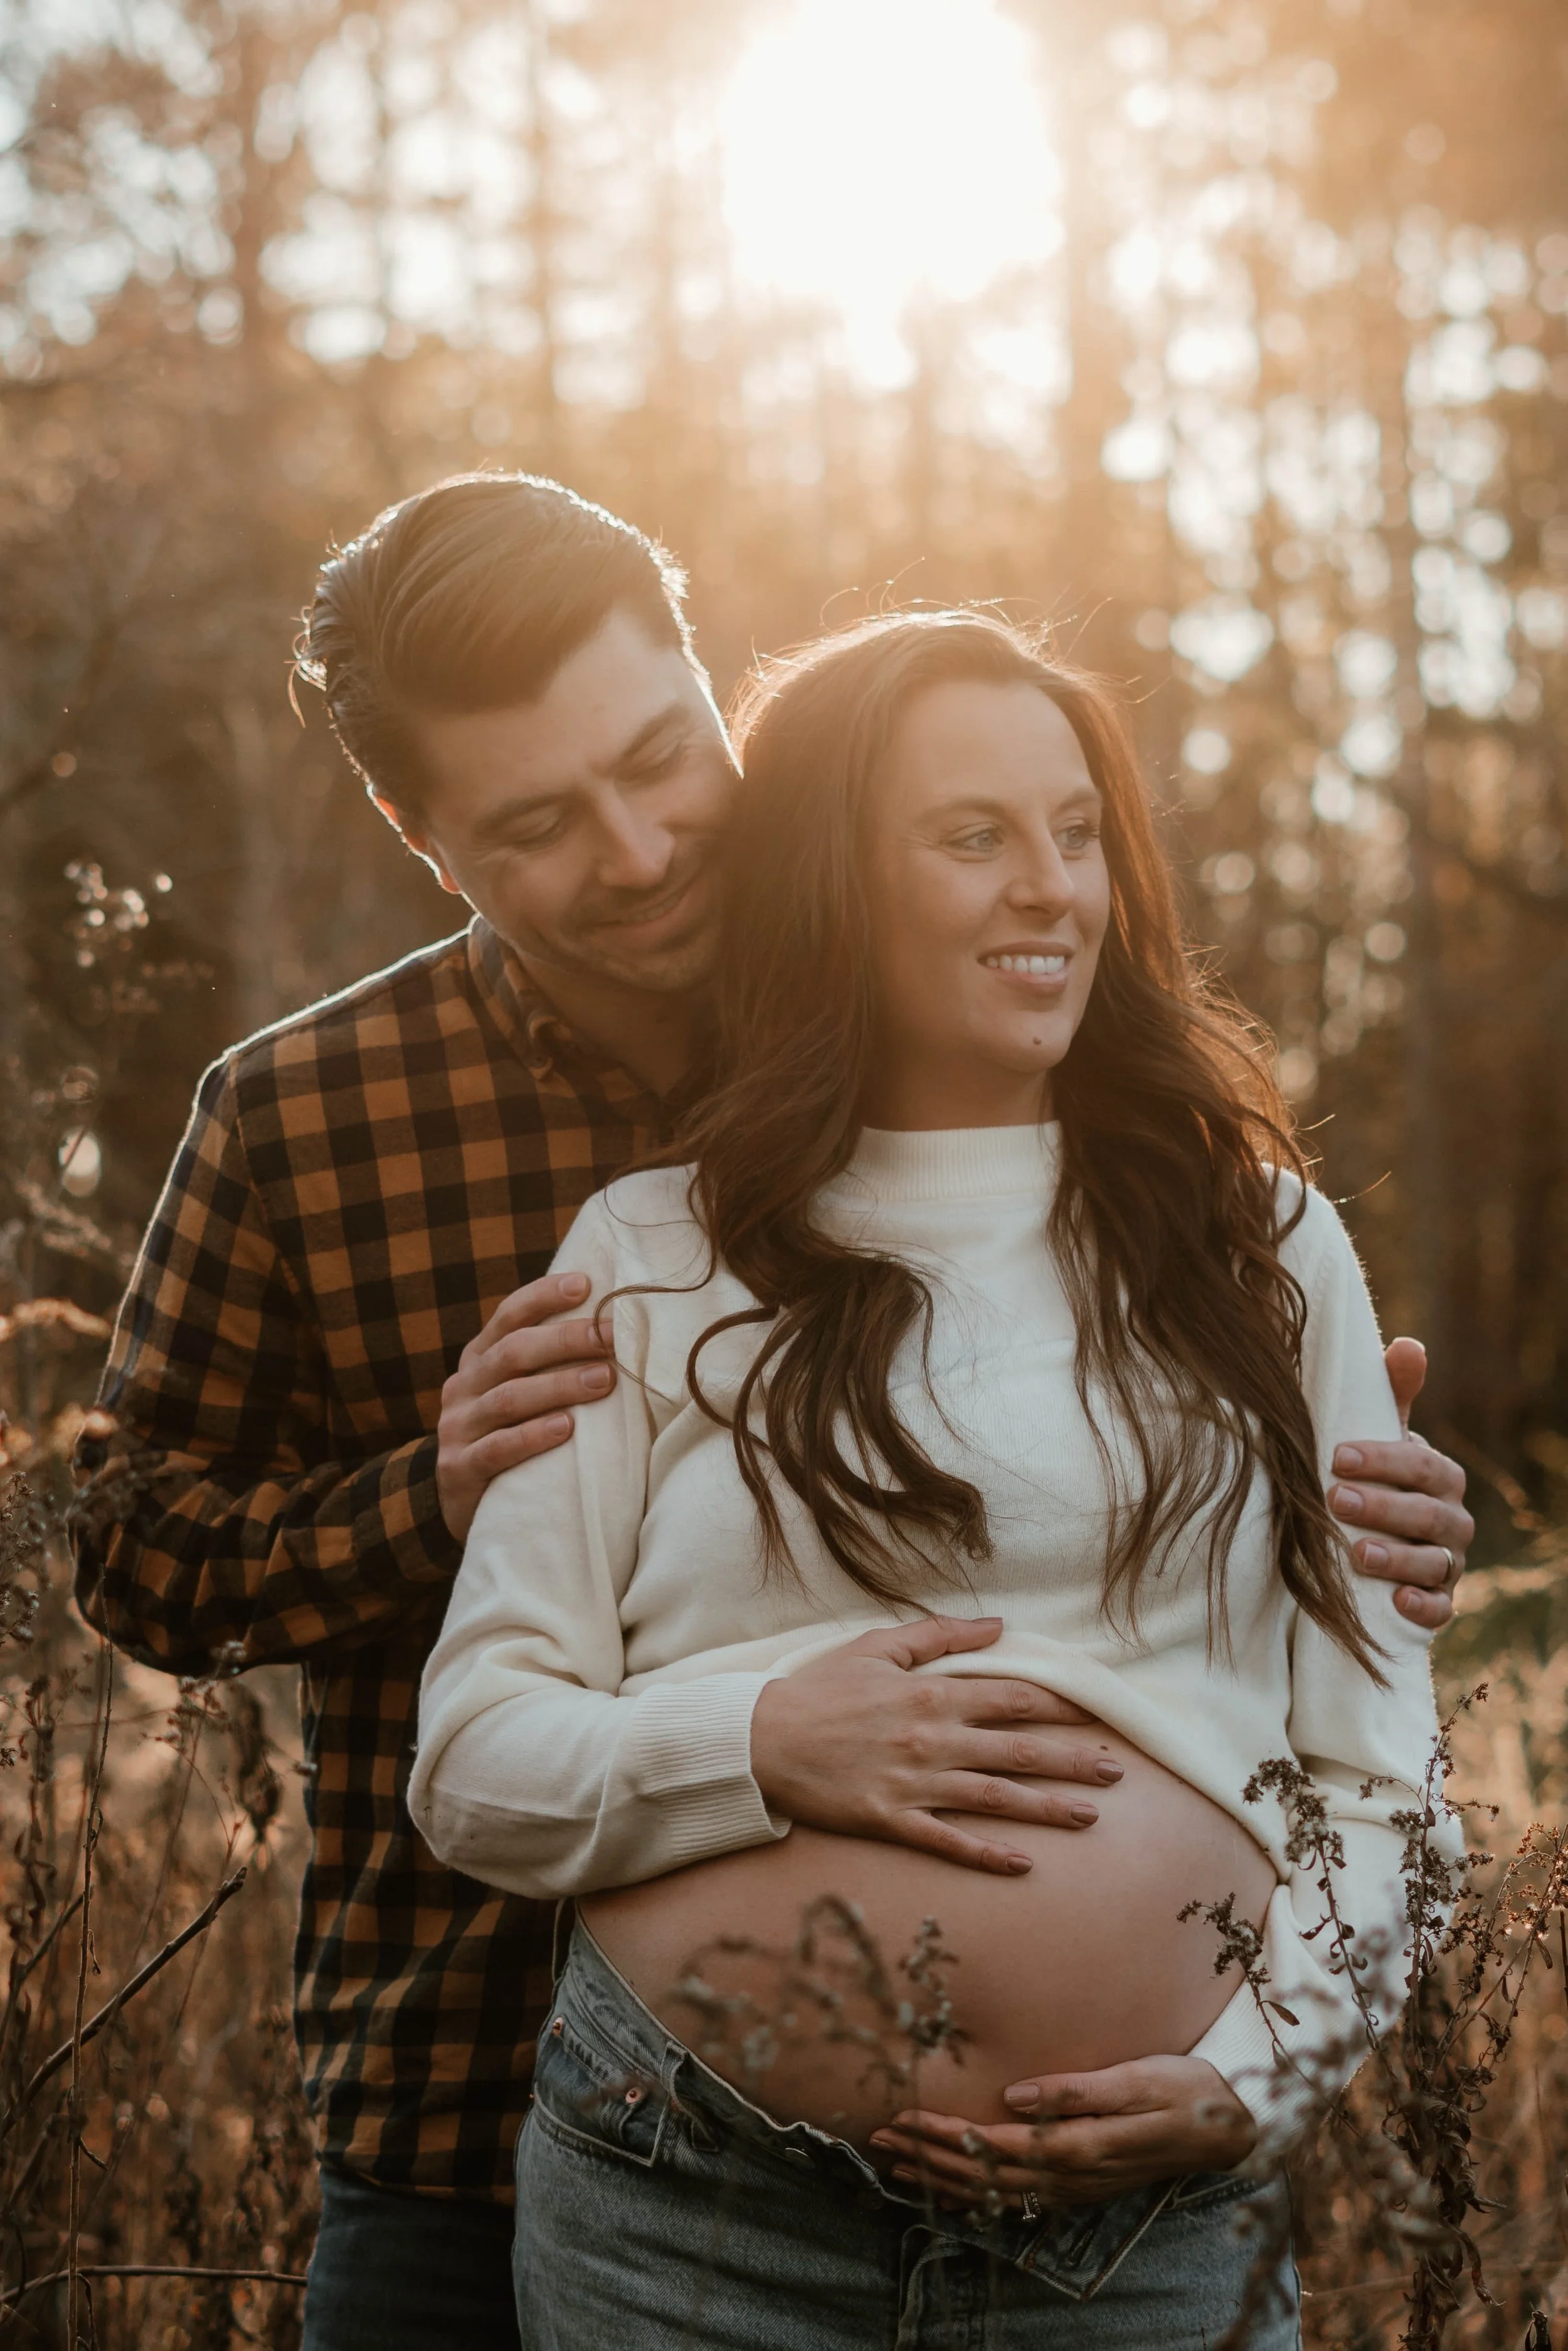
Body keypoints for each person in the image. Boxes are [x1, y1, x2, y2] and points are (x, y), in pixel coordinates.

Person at [71, 476, 1473, 2351]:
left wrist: (1297, 1480)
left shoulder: (940, 972)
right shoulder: (311, 1117)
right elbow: (127, 1543)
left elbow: (1318, 1683)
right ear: (422, 834)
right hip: (483, 2090)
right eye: (542, 824)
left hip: (1097, 2204)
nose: (645, 850)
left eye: (664, 758)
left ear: (714, 698)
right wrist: (433, 1494)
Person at [411, 608, 1462, 2351]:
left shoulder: (1261, 1249)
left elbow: (1376, 1763)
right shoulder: (649, 1258)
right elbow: (476, 1761)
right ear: (833, 878)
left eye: (1075, 833)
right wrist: (756, 1740)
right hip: (691, 2209)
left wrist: (1259, 2075)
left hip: (1134, 2235)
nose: (1049, 887)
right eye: (971, 838)